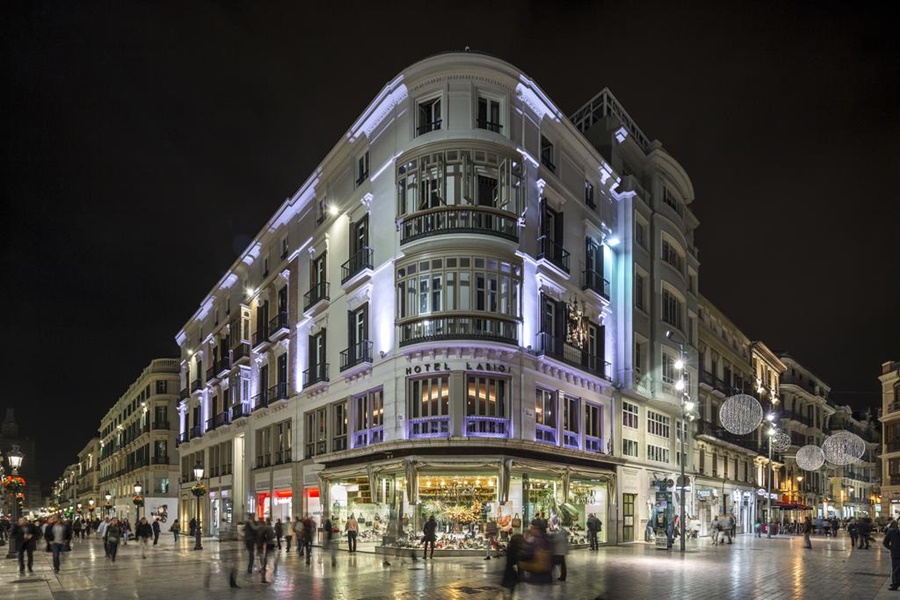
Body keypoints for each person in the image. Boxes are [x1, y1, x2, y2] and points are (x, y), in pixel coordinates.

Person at [501, 532, 525, 599]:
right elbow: (518, 562)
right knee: (508, 593)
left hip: (510, 574)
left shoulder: (511, 548)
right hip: (511, 575)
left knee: (508, 593)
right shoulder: (515, 550)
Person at [884, 520, 900, 590]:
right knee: (896, 569)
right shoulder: (892, 532)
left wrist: (891, 548)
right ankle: (895, 583)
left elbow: (885, 542)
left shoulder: (891, 532)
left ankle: (895, 584)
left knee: (896, 569)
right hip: (896, 553)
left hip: (895, 553)